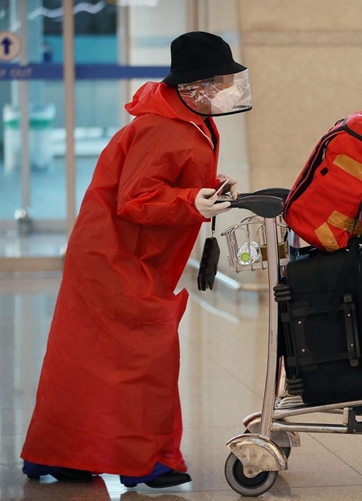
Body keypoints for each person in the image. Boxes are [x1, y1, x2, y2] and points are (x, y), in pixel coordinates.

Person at [20, 31, 251, 488]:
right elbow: (136, 199)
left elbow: (162, 177)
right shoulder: (163, 127)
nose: (227, 90)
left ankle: (58, 454)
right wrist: (191, 201)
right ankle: (148, 461)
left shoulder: (178, 118)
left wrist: (203, 186)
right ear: (195, 86)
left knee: (83, 359)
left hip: (115, 255)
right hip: (118, 260)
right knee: (144, 358)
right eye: (221, 81)